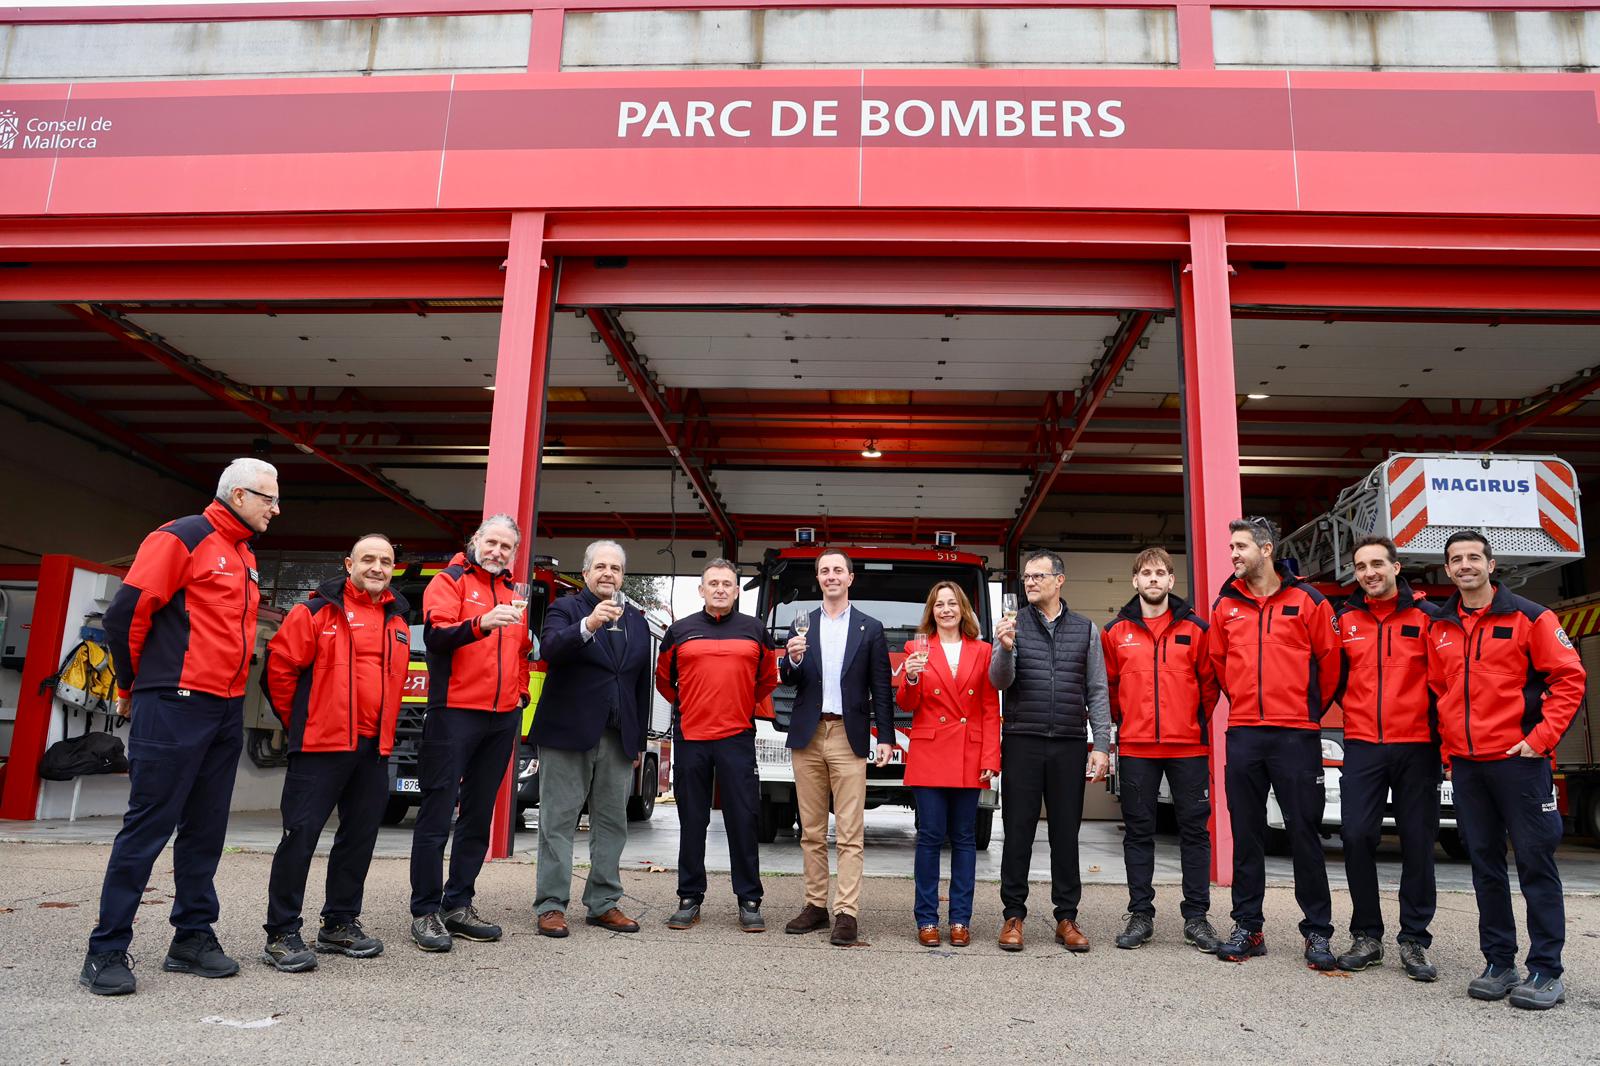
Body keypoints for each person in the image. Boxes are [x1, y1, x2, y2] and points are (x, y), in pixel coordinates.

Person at [80, 457, 280, 996]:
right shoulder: (181, 537)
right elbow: (125, 615)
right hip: (173, 701)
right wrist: (133, 687)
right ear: (238, 496)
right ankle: (105, 950)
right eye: (268, 498)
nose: (275, 508)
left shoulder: (244, 554)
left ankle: (191, 937)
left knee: (206, 829)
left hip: (224, 708)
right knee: (149, 825)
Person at [1428, 530, 1585, 1010]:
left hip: (1519, 764)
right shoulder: (1440, 627)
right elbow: (1440, 694)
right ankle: (1499, 962)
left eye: (1474, 557)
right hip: (1469, 769)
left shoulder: (1531, 618)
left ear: (1491, 565)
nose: (1465, 565)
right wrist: (1449, 755)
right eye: (1456, 559)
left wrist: (1540, 740)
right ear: (1448, 569)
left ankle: (1546, 971)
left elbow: (1570, 678)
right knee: (1485, 867)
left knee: (1536, 864)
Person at [258, 533, 411, 971]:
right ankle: (281, 933)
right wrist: (303, 725)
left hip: (373, 748)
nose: (377, 567)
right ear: (349, 564)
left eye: (385, 561)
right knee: (300, 836)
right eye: (368, 559)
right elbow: (279, 672)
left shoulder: (398, 622)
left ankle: (339, 923)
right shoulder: (314, 612)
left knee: (359, 837)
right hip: (320, 746)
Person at [1209, 516, 1341, 969]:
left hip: (1296, 734)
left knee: (1304, 833)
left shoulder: (1309, 601)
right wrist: (1246, 703)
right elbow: (1219, 663)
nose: (1233, 554)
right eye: (1231, 547)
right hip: (1245, 733)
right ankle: (1248, 927)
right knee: (1247, 835)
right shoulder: (1226, 605)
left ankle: (1317, 931)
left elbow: (1330, 662)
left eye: (1241, 547)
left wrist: (1306, 710)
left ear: (1266, 550)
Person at [408, 514, 533, 952]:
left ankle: (458, 904)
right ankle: (425, 911)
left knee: (478, 816)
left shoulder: (513, 593)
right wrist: (482, 623)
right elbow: (437, 636)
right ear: (476, 540)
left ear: (514, 553)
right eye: (491, 542)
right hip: (454, 713)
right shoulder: (450, 581)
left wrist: (520, 695)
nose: (497, 551)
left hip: (501, 719)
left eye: (506, 546)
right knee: (436, 813)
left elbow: (521, 652)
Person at [990, 549, 1113, 953]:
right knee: (1018, 831)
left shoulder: (1085, 629)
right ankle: (1013, 915)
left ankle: (1066, 918)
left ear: (1059, 580)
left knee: (1065, 832)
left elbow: (1097, 689)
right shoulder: (1012, 625)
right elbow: (999, 682)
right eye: (1026, 577)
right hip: (1022, 740)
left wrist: (1101, 745)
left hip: (1068, 742)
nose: (1030, 582)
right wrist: (1004, 647)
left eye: (1038, 576)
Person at [1101, 546, 1222, 953]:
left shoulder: (1197, 629)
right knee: (1138, 832)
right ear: (1135, 580)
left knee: (1194, 831)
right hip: (1137, 749)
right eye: (1146, 573)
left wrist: (1191, 722)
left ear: (1171, 580)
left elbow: (1209, 685)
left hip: (1188, 748)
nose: (1153, 579)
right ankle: (1141, 915)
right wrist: (1128, 722)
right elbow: (1110, 688)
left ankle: (1197, 917)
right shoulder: (1115, 633)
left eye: (1160, 573)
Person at [1331, 535, 1441, 981]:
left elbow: (1445, 680)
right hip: (1364, 745)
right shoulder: (1345, 621)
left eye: (1377, 563)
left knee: (1418, 842)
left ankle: (1414, 939)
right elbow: (1335, 678)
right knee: (1356, 836)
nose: (1369, 573)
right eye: (1361, 566)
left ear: (1396, 567)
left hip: (1418, 745)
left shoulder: (1429, 618)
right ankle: (1367, 935)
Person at [532, 540, 652, 938]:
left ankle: (603, 902)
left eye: (615, 568)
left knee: (612, 823)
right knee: (558, 821)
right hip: (567, 734)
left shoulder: (636, 621)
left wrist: (638, 741)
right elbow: (550, 649)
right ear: (585, 573)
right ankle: (551, 905)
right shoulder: (566, 609)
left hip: (618, 737)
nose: (608, 574)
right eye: (600, 567)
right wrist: (589, 624)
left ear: (622, 576)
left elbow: (639, 685)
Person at [778, 549, 895, 947]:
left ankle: (846, 912)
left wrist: (886, 737)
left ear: (850, 578)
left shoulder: (870, 628)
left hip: (849, 734)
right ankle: (815, 906)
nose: (831, 576)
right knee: (810, 830)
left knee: (849, 831)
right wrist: (792, 660)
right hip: (808, 734)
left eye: (838, 570)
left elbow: (881, 686)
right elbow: (788, 678)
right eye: (824, 570)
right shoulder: (802, 624)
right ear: (818, 578)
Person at [655, 559, 778, 932]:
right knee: (693, 819)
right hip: (692, 737)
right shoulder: (679, 631)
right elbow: (664, 681)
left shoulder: (756, 630)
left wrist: (737, 703)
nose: (720, 588)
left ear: (737, 591)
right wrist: (693, 705)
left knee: (744, 819)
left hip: (736, 737)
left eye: (727, 583)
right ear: (702, 589)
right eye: (713, 583)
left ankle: (749, 900)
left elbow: (767, 680)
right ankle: (689, 897)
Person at [899, 581, 999, 947]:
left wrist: (991, 757)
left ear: (963, 609)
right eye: (939, 604)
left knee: (964, 839)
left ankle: (960, 919)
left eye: (952, 603)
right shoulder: (916, 648)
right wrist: (910, 676)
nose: (946, 610)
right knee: (929, 837)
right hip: (930, 752)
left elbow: (989, 708)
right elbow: (907, 704)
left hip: (969, 755)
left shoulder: (983, 651)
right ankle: (926, 918)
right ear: (932, 611)